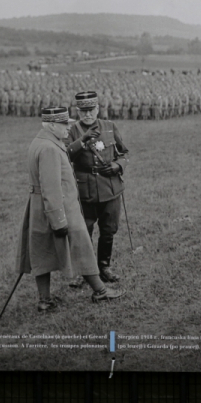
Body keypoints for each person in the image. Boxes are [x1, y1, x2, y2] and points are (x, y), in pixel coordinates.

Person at [15, 107, 125, 312]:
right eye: (64, 124)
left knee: (42, 251)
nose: (68, 128)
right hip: (61, 207)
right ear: (52, 125)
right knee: (81, 246)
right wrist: (59, 221)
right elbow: (51, 187)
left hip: (41, 207)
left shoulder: (42, 141)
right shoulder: (49, 148)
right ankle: (100, 291)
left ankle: (44, 300)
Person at [66, 91, 129, 286]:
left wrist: (118, 166)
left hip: (110, 187)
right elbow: (66, 154)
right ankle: (84, 271)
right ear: (77, 111)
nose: (87, 115)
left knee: (109, 229)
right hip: (85, 189)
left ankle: (104, 266)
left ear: (98, 109)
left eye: (91, 110)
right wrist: (82, 140)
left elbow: (124, 153)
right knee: (84, 230)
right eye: (83, 111)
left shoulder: (110, 127)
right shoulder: (72, 130)